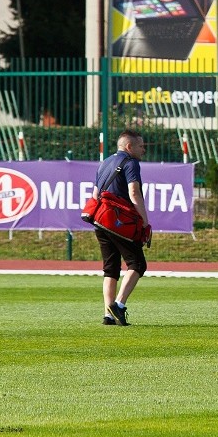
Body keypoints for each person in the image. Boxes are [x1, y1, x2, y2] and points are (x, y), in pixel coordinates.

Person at [93, 130, 150, 326]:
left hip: (100, 219)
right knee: (137, 264)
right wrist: (144, 220)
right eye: (141, 145)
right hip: (119, 221)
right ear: (129, 147)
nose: (143, 149)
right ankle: (119, 304)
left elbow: (95, 193)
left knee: (111, 268)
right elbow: (134, 191)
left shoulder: (105, 161)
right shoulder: (131, 163)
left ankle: (108, 315)